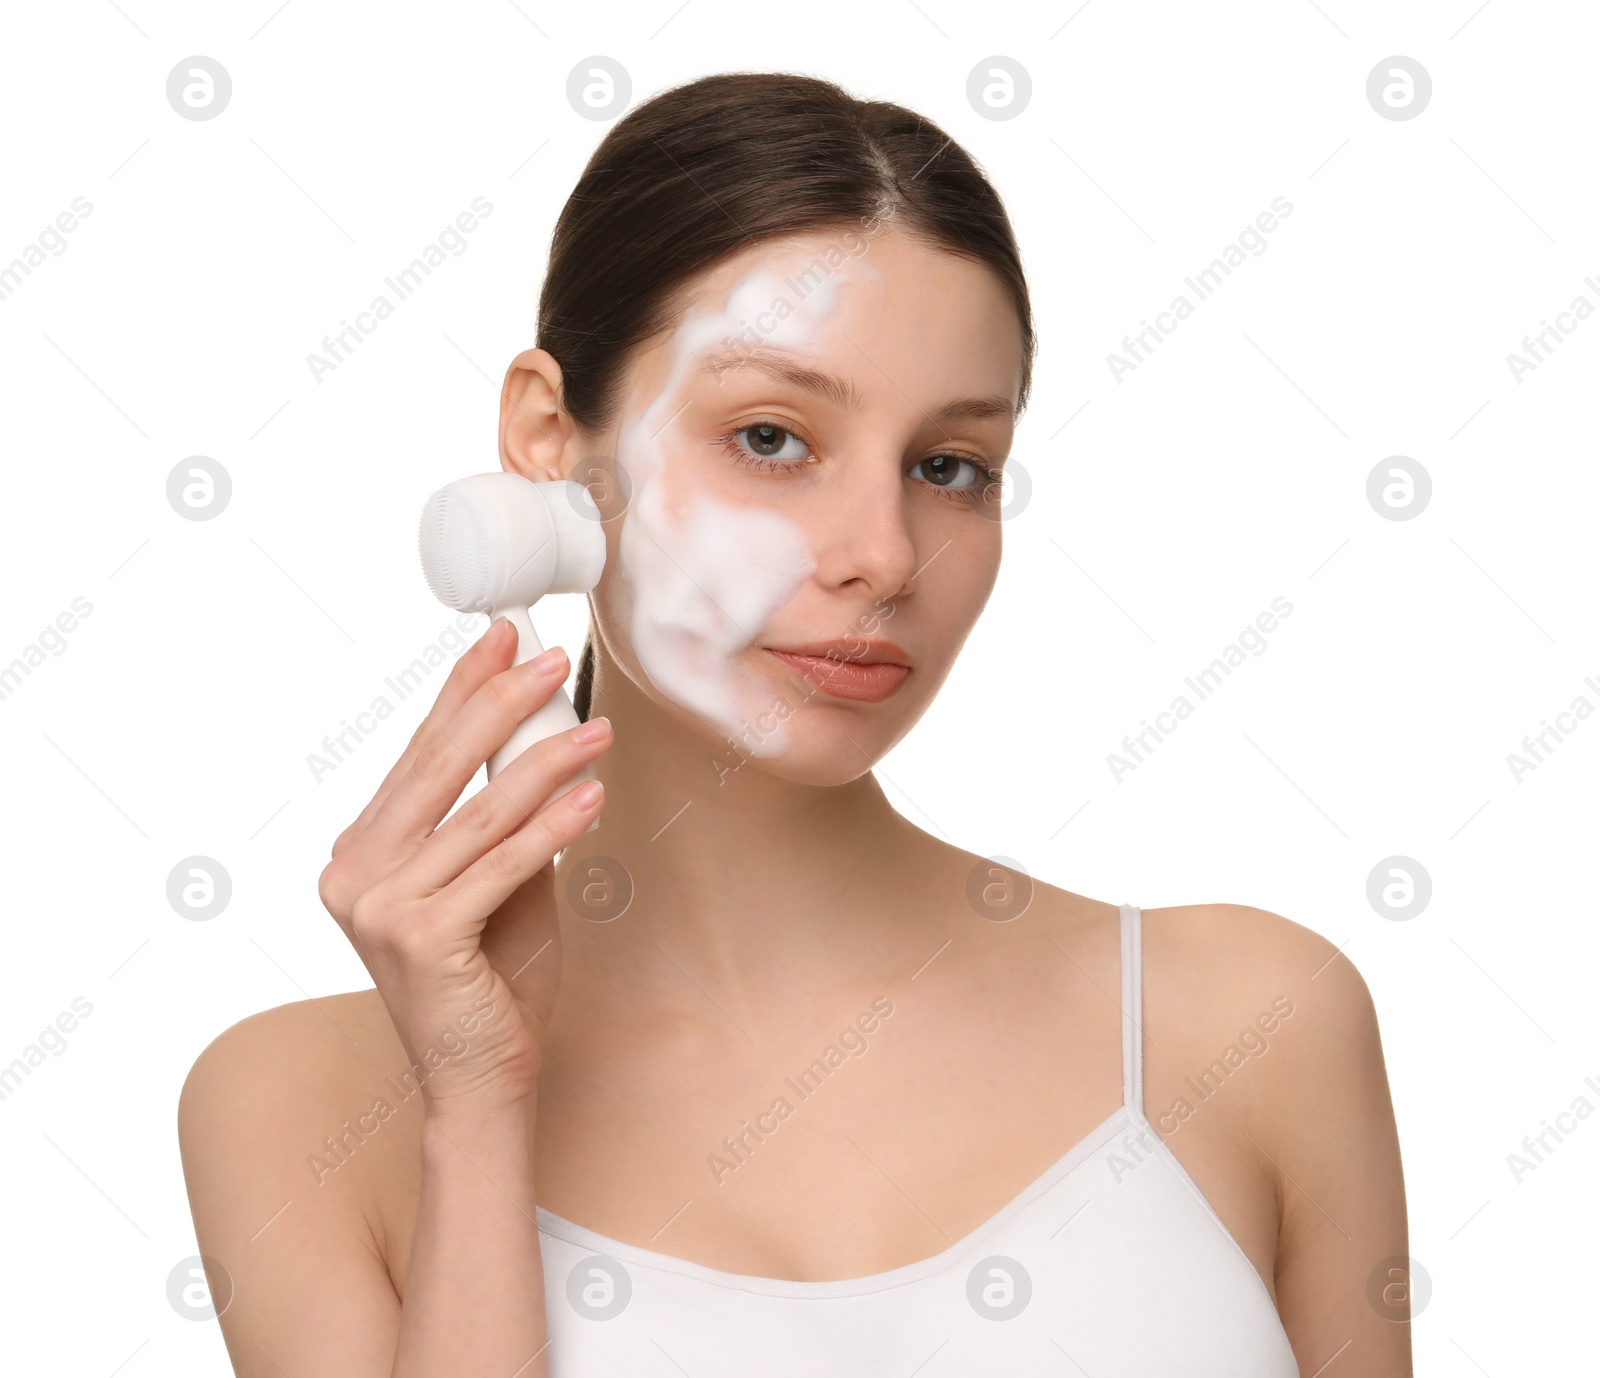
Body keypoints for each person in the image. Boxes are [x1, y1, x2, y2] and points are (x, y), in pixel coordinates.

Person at [178, 71, 1410, 1376]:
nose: (883, 554)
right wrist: (477, 1107)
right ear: (549, 437)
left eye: (950, 467)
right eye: (772, 437)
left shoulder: (1256, 1023)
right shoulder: (296, 1106)